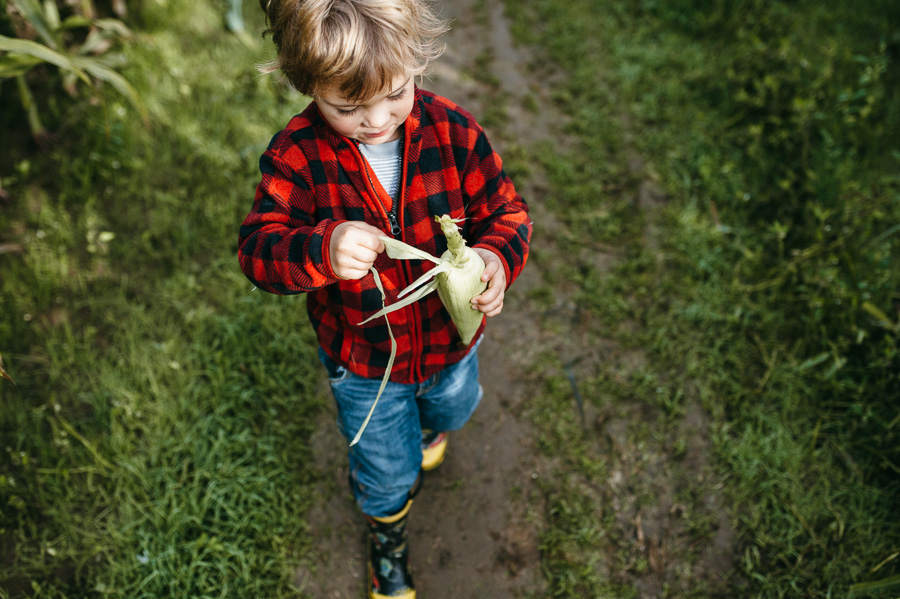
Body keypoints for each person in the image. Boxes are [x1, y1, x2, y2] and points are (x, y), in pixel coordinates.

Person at [238, 1, 531, 596]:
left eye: (395, 94)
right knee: (385, 471)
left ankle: (431, 431)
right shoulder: (298, 156)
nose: (375, 119)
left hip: (453, 341)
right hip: (365, 359)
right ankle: (388, 540)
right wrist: (322, 248)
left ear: (414, 63)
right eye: (347, 107)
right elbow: (257, 251)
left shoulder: (454, 132)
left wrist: (496, 258)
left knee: (453, 407)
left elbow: (507, 212)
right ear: (306, 84)